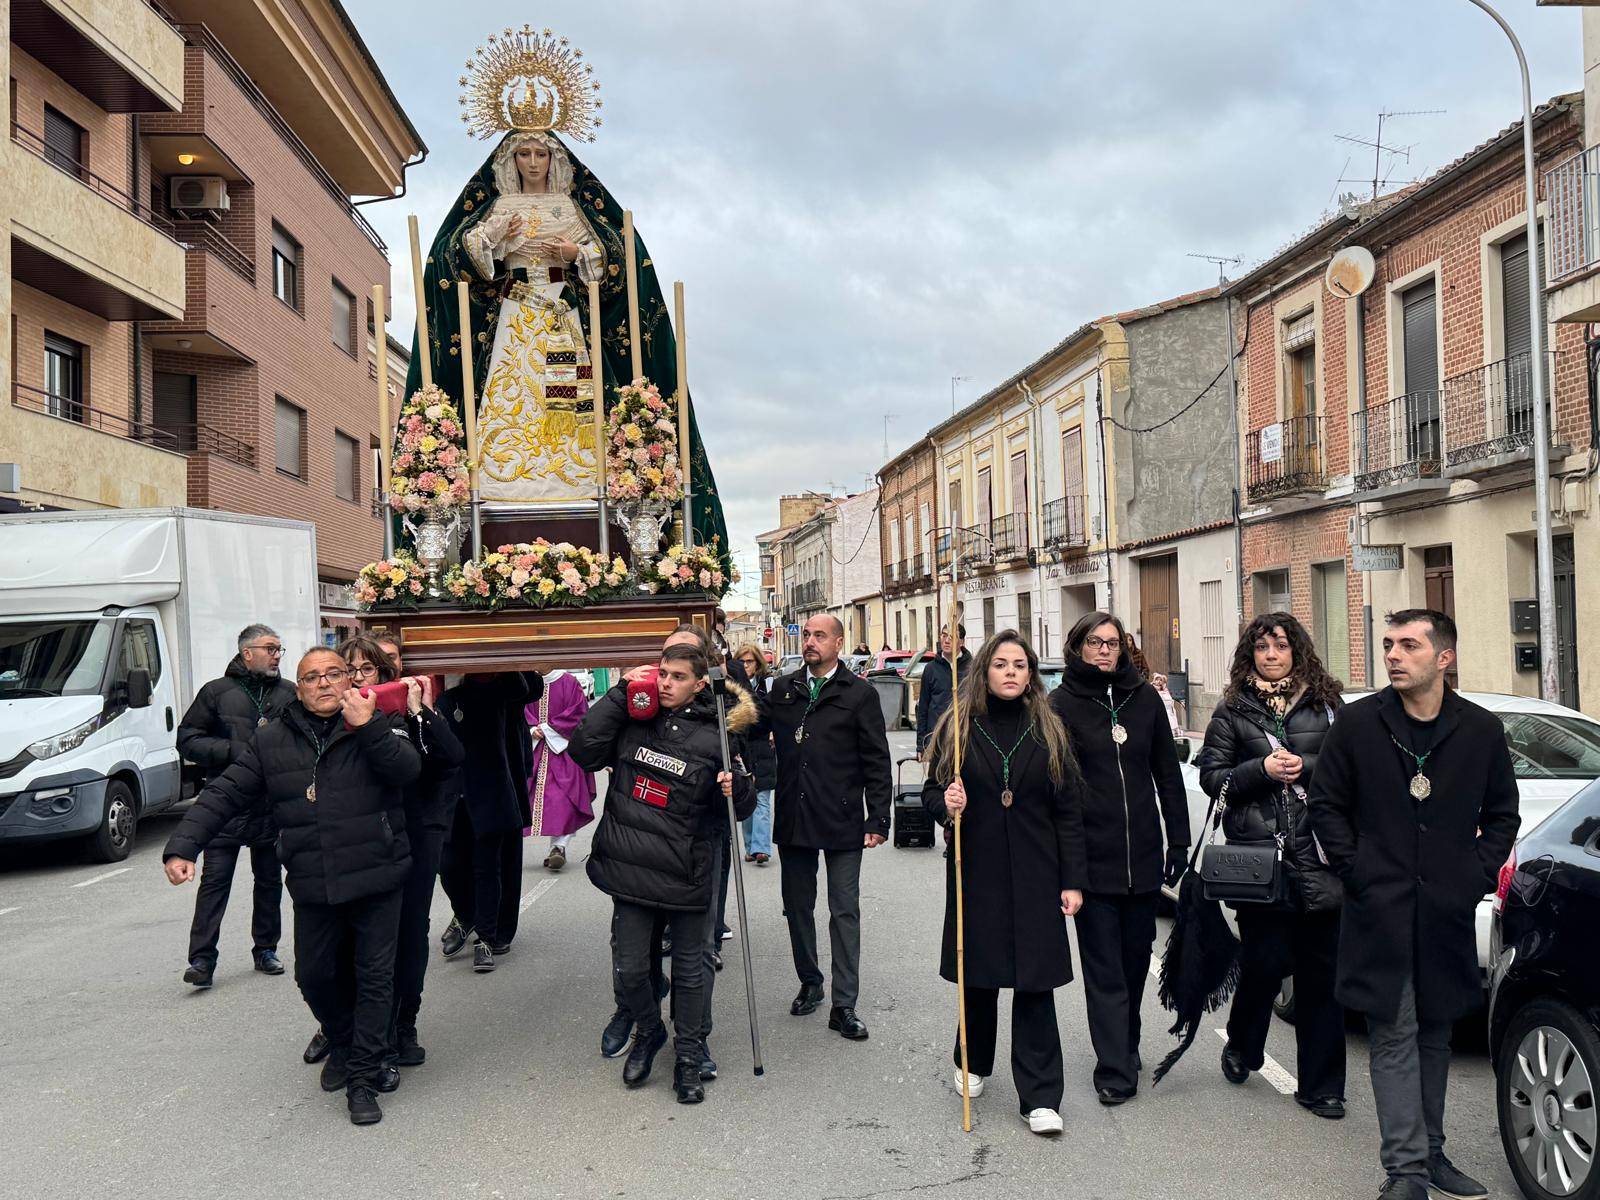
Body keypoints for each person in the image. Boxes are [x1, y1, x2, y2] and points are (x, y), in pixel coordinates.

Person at [162, 648, 421, 1126]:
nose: (323, 684)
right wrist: (183, 846)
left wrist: (370, 727)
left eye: (333, 674)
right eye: (311, 678)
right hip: (313, 880)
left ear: (348, 679)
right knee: (315, 977)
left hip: (377, 875)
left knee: (374, 979)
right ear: (298, 688)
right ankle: (343, 1043)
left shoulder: (375, 720)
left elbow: (406, 771)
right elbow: (224, 793)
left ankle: (364, 1078)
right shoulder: (271, 740)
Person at [1310, 611, 1518, 1200]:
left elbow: (1503, 813)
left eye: (1409, 645)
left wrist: (1472, 875)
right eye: (1388, 645)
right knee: (1394, 1033)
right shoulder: (1357, 724)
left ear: (1443, 658)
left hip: (1445, 912)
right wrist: (1359, 871)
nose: (1394, 655)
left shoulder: (1479, 730)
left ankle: (1431, 1154)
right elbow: (1326, 806)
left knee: (1435, 1033)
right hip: (1380, 910)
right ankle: (1405, 1172)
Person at [570, 644, 756, 1103]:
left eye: (677, 676)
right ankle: (650, 1032)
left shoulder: (721, 734)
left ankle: (689, 1059)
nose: (666, 683)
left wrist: (740, 788)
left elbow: (739, 807)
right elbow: (583, 750)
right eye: (662, 674)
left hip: (687, 871)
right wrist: (618, 693)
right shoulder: (633, 717)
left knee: (692, 971)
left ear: (698, 684)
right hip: (631, 867)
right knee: (632, 968)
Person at [922, 631, 1088, 1136]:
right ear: (984, 672)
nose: (1011, 672)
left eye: (1020, 664)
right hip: (979, 867)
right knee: (981, 973)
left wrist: (1073, 880)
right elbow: (931, 792)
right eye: (1001, 664)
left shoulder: (1051, 730)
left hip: (1039, 873)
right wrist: (946, 805)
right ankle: (972, 1061)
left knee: (1035, 983)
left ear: (1031, 673)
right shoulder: (959, 728)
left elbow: (1070, 811)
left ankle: (1040, 1096)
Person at [1195, 613, 1346, 1119]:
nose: (1272, 655)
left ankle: (1322, 1087)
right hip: (1261, 864)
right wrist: (1259, 770)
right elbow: (1211, 779)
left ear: (1297, 650)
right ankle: (1242, 1044)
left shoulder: (1326, 707)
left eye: (1281, 645)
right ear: (1250, 655)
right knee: (1264, 964)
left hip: (1321, 858)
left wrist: (1311, 768)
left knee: (1321, 977)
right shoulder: (1233, 710)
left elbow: (1352, 772)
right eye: (1262, 647)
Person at [1048, 611, 1189, 1104]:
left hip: (1144, 860)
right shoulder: (1061, 704)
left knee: (1133, 966)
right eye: (1095, 642)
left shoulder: (1145, 699)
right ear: (1078, 648)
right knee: (1104, 970)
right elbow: (1057, 789)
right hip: (1092, 862)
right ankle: (1114, 1068)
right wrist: (1065, 865)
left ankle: (1125, 1045)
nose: (1105, 650)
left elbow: (1167, 776)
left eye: (1113, 643)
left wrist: (1178, 840)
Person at [760, 613, 893, 1041]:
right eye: (807, 635)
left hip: (841, 818)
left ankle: (845, 1004)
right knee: (797, 906)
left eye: (820, 636)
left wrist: (878, 818)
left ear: (839, 643)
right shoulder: (784, 689)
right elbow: (749, 724)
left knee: (843, 910)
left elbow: (876, 759)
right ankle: (811, 982)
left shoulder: (859, 694)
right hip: (795, 817)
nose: (810, 642)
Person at [341, 636, 463, 1077]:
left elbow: (451, 757)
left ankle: (403, 1025)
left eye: (367, 669)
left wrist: (419, 713)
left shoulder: (410, 706)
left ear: (385, 673)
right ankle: (352, 1029)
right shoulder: (339, 712)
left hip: (416, 832)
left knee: (409, 932)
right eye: (349, 669)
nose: (357, 678)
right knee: (360, 938)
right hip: (363, 838)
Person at [173, 624, 296, 988]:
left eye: (279, 649)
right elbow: (187, 739)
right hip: (226, 802)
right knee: (215, 882)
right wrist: (232, 751)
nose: (276, 655)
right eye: (270, 649)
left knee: (270, 881)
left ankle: (266, 949)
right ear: (247, 653)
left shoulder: (288, 693)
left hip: (271, 802)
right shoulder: (216, 692)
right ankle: (202, 960)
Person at [437, 672, 543, 973]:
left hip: (495, 788)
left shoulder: (506, 691)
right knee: (449, 865)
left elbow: (528, 686)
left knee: (490, 867)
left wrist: (507, 662)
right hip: (456, 791)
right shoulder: (450, 698)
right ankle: (466, 914)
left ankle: (489, 934)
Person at [525, 669, 596, 871]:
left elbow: (579, 713)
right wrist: (531, 729)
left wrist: (548, 729)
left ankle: (559, 847)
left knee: (565, 799)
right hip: (534, 748)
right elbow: (517, 709)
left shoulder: (568, 682)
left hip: (563, 750)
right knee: (526, 799)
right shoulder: (527, 680)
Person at [734, 644, 775, 866]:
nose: (745, 666)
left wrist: (774, 731)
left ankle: (761, 848)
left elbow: (776, 713)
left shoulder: (767, 685)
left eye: (749, 662)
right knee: (747, 796)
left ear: (758, 663)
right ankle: (750, 846)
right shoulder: (731, 686)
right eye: (741, 662)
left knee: (762, 798)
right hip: (741, 747)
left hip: (762, 747)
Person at [916, 623, 969, 759]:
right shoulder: (931, 669)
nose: (946, 640)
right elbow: (923, 708)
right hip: (936, 738)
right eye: (944, 635)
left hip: (965, 738)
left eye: (952, 637)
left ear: (961, 642)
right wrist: (921, 744)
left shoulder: (972, 668)